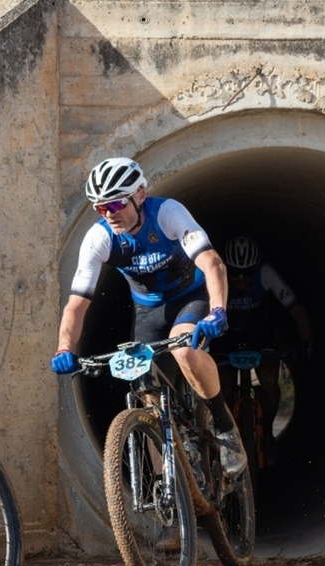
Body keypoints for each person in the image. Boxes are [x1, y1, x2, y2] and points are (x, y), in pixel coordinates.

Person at [50, 157, 246, 475]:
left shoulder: (167, 213)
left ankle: (225, 429)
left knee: (184, 350)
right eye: (100, 208)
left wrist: (217, 311)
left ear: (140, 195)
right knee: (145, 389)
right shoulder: (99, 239)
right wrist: (64, 348)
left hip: (190, 297)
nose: (109, 214)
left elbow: (212, 263)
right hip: (149, 310)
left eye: (115, 204)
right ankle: (170, 484)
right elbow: (77, 304)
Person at [211, 236, 313, 466]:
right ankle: (229, 438)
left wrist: (306, 342)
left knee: (269, 383)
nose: (239, 278)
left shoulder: (265, 274)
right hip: (225, 334)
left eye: (246, 273)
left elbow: (296, 309)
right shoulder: (216, 272)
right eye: (235, 272)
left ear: (255, 269)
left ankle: (267, 433)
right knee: (223, 388)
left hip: (259, 333)